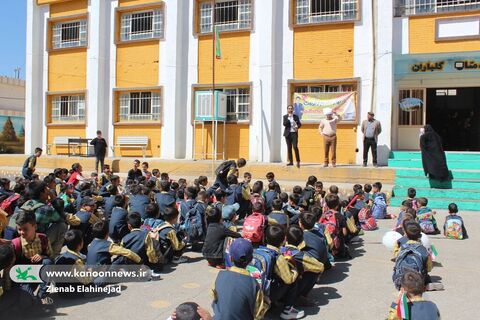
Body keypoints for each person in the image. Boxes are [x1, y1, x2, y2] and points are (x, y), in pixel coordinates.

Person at [211, 238, 268, 320]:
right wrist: (266, 303)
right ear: (251, 259)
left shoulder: (220, 275)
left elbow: (214, 300)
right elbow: (258, 315)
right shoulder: (253, 284)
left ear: (230, 258)